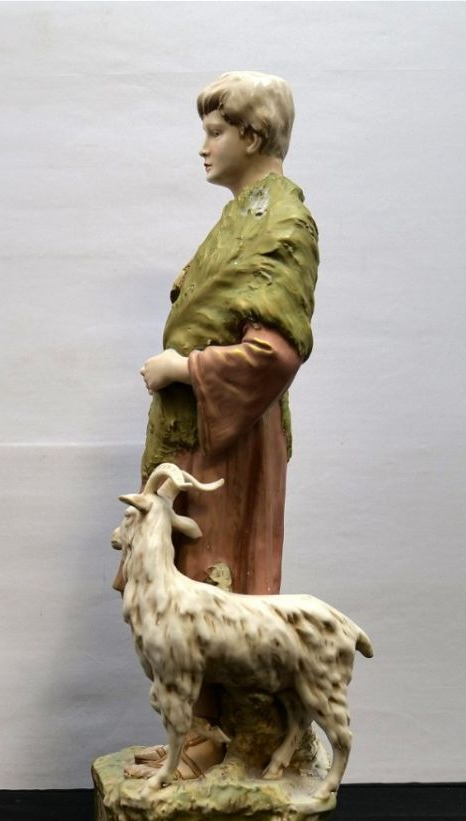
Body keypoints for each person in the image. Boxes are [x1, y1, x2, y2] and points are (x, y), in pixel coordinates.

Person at [129, 72, 319, 780]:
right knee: (189, 576)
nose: (203, 146)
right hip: (203, 437)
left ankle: (223, 736)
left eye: (215, 131)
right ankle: (200, 730)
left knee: (214, 580)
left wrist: (184, 369)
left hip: (230, 440)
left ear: (253, 135)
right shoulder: (245, 214)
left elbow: (276, 352)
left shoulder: (284, 225)